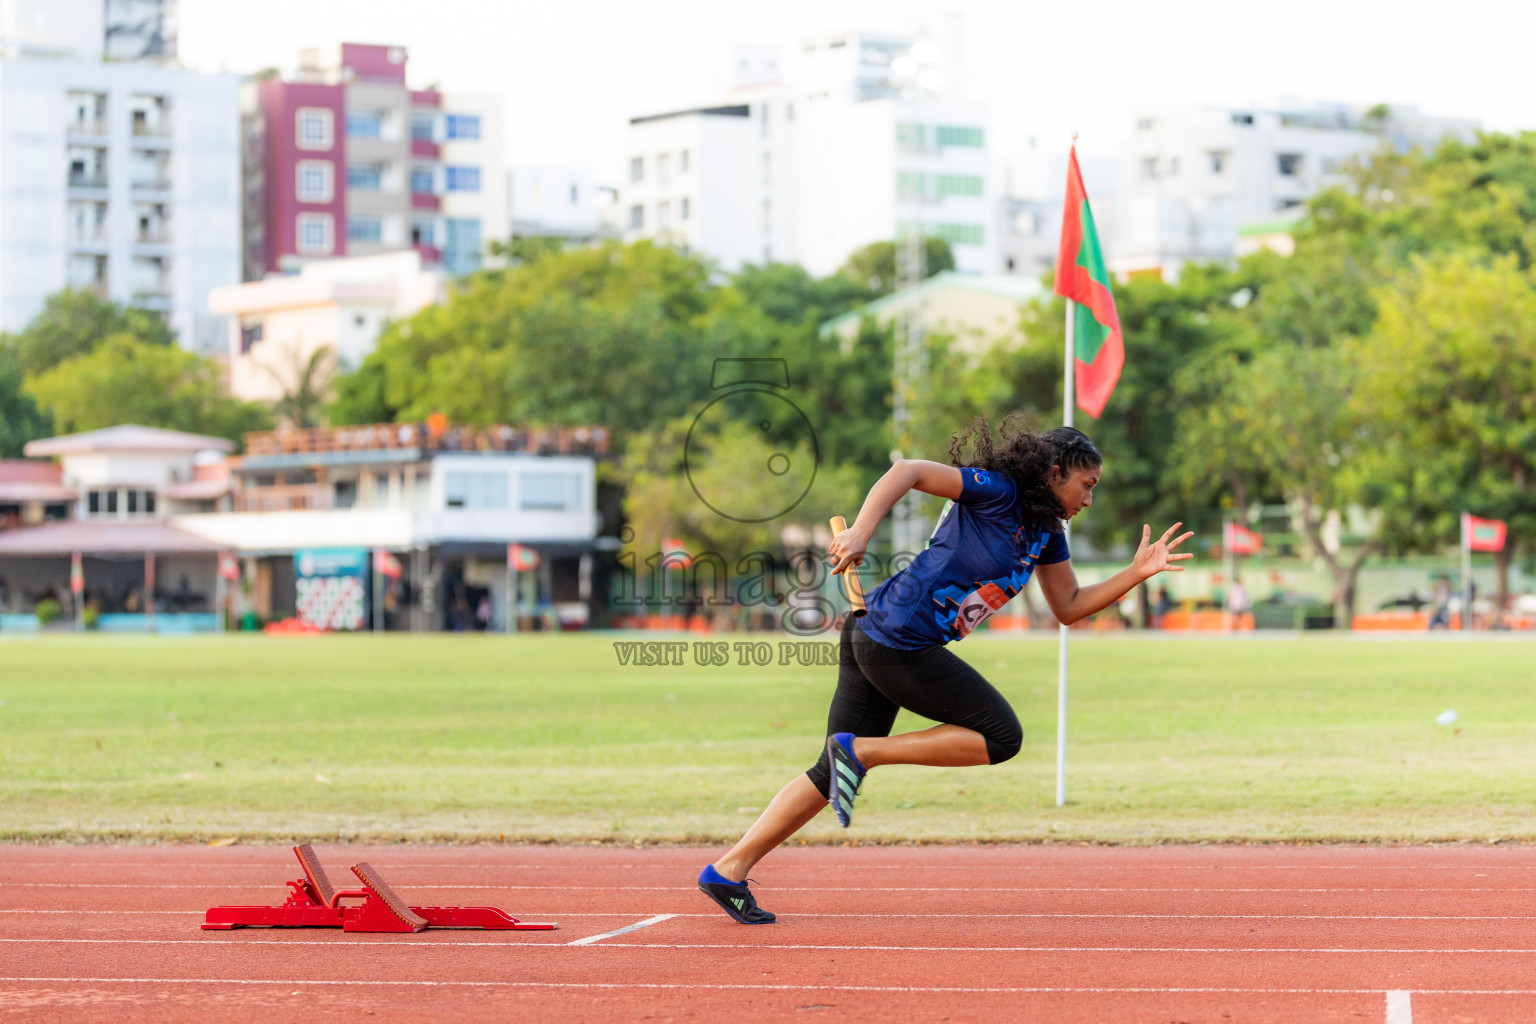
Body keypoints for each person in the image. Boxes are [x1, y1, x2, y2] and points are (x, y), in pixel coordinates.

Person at [697, 421, 1193, 924]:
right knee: (1001, 737)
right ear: (1055, 472)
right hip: (894, 637)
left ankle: (727, 870)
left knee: (831, 773)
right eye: (1086, 486)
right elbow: (908, 471)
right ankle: (863, 752)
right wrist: (861, 531)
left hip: (882, 635)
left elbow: (1068, 605)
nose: (1089, 499)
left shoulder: (1048, 533)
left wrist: (1135, 574)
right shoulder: (996, 492)